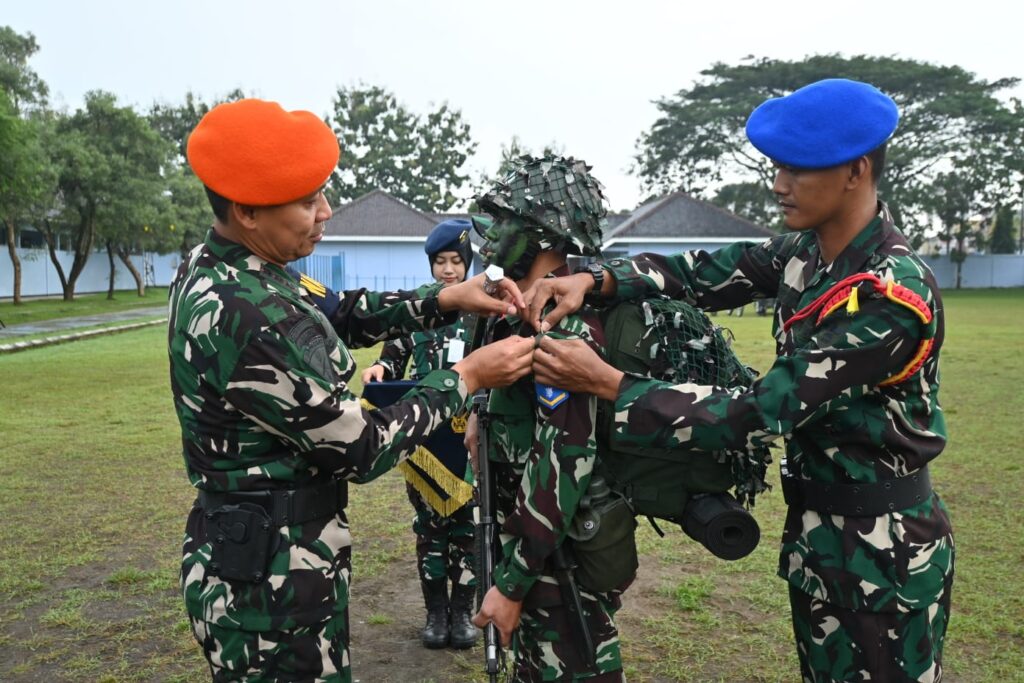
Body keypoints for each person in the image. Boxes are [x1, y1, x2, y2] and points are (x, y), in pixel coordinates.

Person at [524, 79, 954, 682]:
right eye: (776, 167)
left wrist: (613, 385)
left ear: (857, 171)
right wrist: (598, 282)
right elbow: (706, 271)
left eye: (799, 170)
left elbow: (758, 412)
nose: (779, 184)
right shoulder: (809, 253)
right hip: (823, 542)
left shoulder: (887, 297)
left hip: (885, 556)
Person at [168, 98, 533, 683]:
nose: (326, 211)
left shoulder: (242, 266)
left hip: (283, 555)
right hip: (267, 583)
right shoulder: (241, 311)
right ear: (247, 211)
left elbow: (337, 312)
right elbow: (360, 446)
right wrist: (466, 377)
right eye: (308, 201)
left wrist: (443, 300)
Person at [468, 155, 633, 682]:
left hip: (559, 565)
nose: (493, 237)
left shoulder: (563, 330)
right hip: (536, 553)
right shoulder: (517, 315)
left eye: (506, 222)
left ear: (541, 236)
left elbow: (564, 462)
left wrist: (513, 584)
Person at [360, 219, 480, 650]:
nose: (448, 271)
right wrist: (380, 370)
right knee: (430, 528)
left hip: (470, 439)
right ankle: (435, 613)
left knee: (467, 527)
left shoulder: (481, 312)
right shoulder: (418, 310)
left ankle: (463, 611)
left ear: (468, 263)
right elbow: (393, 356)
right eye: (440, 262)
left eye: (456, 261)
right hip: (423, 439)